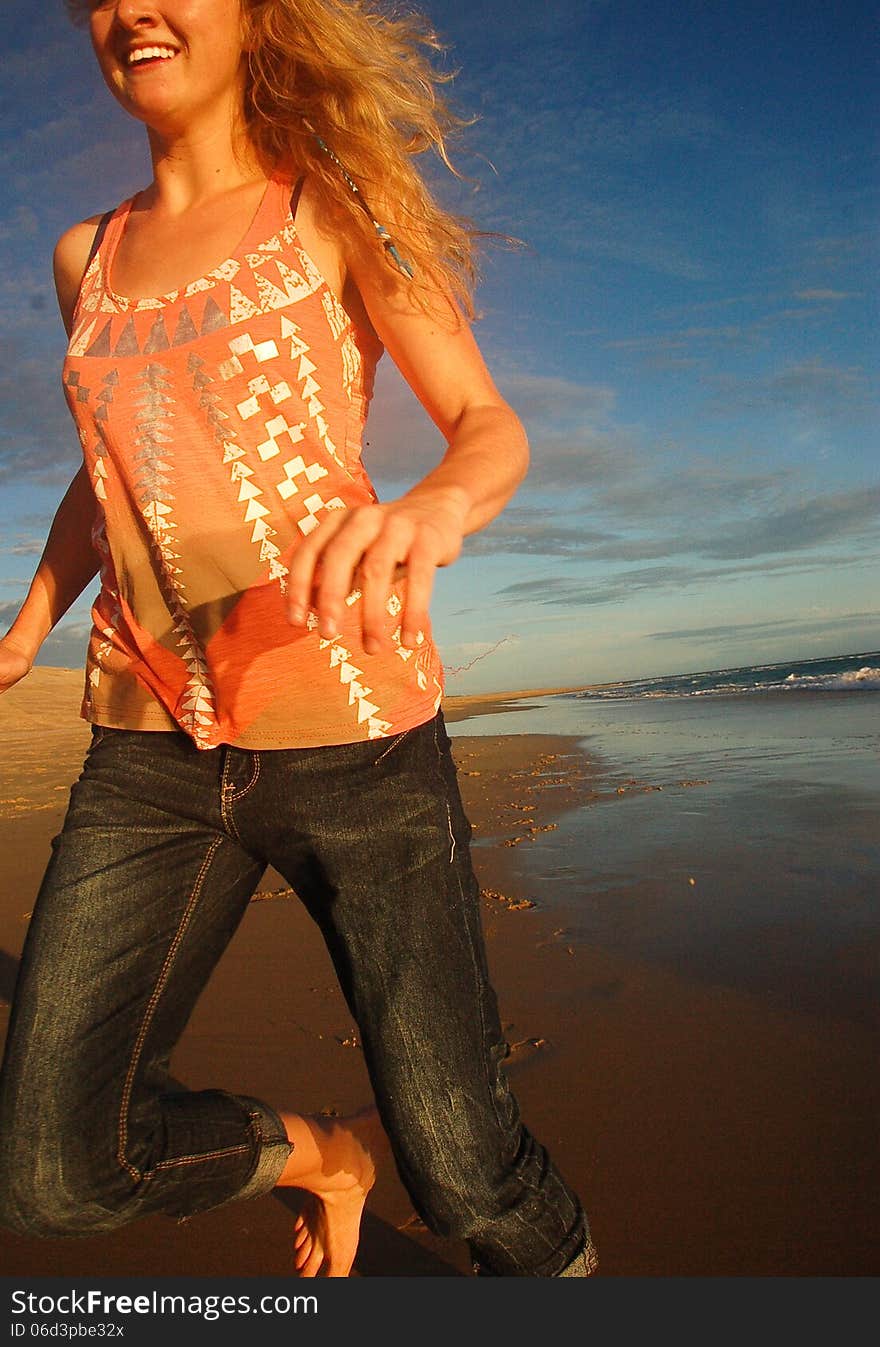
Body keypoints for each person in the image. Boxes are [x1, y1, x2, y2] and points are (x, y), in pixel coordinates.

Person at [0, 0, 597, 1278]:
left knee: (467, 1175)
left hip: (356, 740)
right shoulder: (82, 258)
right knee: (56, 1168)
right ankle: (325, 1155)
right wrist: (31, 617)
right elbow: (107, 462)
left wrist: (436, 504)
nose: (129, 10)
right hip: (145, 748)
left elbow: (488, 426)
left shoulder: (330, 201)